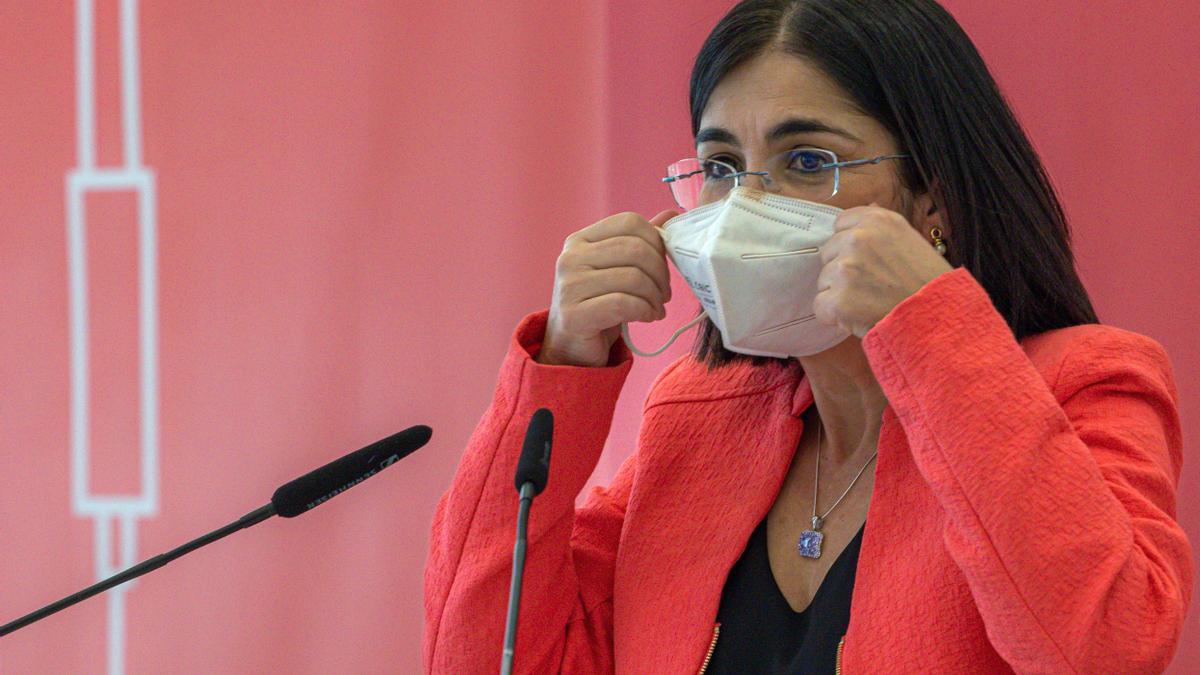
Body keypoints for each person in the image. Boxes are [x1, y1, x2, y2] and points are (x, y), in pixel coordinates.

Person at [422, 0, 1192, 672]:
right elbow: (483, 656)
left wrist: (930, 324)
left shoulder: (1088, 382)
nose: (746, 205)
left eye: (806, 160)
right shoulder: (694, 419)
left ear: (936, 202)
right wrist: (563, 364)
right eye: (722, 167)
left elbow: (1107, 649)